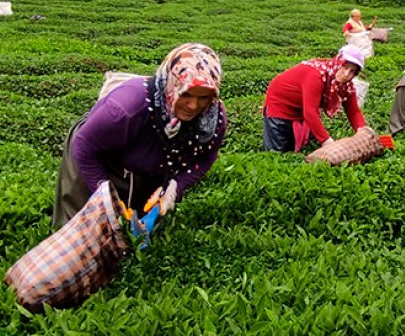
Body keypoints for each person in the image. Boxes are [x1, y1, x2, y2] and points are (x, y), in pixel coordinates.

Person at [52, 43, 226, 229]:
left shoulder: (212, 120)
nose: (193, 106)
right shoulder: (126, 110)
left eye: (203, 98)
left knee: (134, 232)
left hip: (150, 162)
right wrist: (104, 195)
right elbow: (85, 147)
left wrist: (175, 186)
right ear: (173, 85)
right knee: (82, 229)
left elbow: (206, 157)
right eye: (187, 95)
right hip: (96, 152)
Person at [262, 45, 367, 152]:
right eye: (345, 67)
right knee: (276, 151)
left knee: (305, 150)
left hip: (301, 109)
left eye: (353, 71)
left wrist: (363, 133)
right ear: (338, 62)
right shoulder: (316, 75)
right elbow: (310, 112)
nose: (346, 74)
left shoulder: (346, 87)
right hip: (280, 106)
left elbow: (353, 112)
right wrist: (327, 142)